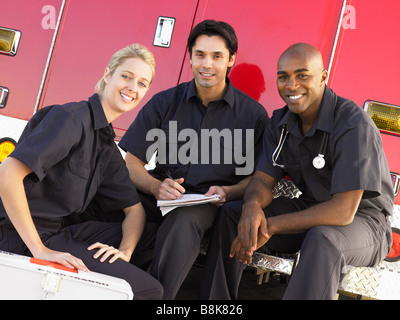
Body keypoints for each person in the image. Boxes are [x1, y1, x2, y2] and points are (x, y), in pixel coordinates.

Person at [198, 43, 394, 300]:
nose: (291, 85)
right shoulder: (280, 122)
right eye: (283, 77)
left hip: (364, 222)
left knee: (323, 239)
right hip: (310, 208)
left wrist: (269, 226)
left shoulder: (352, 124)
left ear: (323, 77)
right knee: (235, 216)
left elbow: (343, 211)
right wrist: (252, 208)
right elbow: (263, 180)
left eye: (302, 75)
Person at [118, 20, 269, 299]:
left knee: (183, 220)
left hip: (210, 204)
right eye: (200, 55)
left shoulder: (253, 116)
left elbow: (258, 178)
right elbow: (132, 163)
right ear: (190, 57)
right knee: (106, 202)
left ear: (231, 60)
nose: (206, 64)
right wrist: (155, 186)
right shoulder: (165, 102)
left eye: (216, 56)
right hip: (160, 196)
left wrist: (229, 191)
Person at [0, 43, 163, 299]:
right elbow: (8, 173)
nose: (133, 88)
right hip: (22, 236)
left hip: (59, 232)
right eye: (126, 76)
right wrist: (40, 250)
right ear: (108, 74)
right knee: (150, 291)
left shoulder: (106, 143)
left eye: (142, 83)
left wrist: (124, 252)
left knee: (156, 234)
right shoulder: (71, 119)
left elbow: (135, 211)